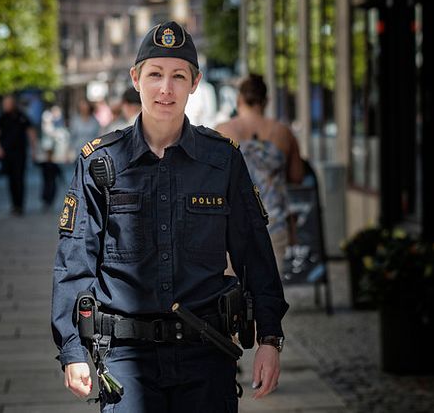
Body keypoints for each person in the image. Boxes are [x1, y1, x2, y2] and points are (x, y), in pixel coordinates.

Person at [51, 21, 288, 413]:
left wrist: (269, 338)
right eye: (155, 74)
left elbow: (255, 254)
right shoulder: (100, 163)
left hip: (206, 353)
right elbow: (74, 262)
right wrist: (72, 349)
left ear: (194, 82)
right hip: (125, 358)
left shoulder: (222, 161)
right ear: (136, 78)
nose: (166, 88)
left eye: (178, 76)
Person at [215, 75, 304, 273]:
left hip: (232, 223)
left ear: (239, 100)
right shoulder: (284, 132)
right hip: (273, 222)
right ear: (266, 101)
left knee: (233, 294)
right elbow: (296, 177)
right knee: (268, 295)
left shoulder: (222, 130)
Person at [0, 95, 38, 216]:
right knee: (11, 180)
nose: (6, 106)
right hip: (7, 153)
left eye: (8, 103)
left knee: (20, 179)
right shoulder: (2, 117)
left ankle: (20, 205)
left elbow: (31, 132)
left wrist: (34, 150)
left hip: (20, 153)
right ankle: (14, 205)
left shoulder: (21, 116)